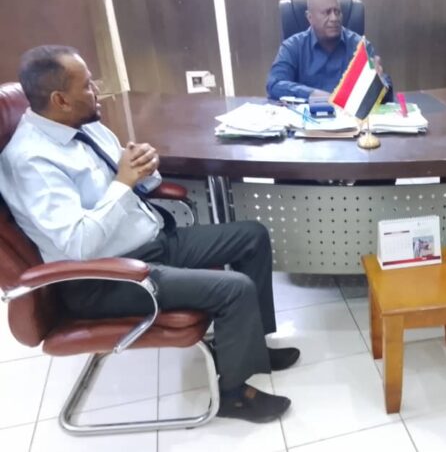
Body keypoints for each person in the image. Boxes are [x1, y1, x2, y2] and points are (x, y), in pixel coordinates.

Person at [0, 45, 300, 424]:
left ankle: (252, 345)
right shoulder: (31, 161)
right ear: (60, 99)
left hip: (149, 244)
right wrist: (123, 183)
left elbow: (133, 177)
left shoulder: (84, 125)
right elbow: (78, 243)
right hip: (104, 277)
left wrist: (145, 168)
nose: (97, 89)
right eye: (88, 84)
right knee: (234, 288)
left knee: (251, 237)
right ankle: (234, 395)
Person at [266, 0, 392, 101]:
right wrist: (312, 94)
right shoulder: (293, 46)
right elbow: (274, 84)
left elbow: (386, 92)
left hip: (349, 118)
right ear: (310, 17)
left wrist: (379, 83)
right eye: (327, 13)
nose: (334, 18)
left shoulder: (360, 46)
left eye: (337, 12)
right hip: (306, 117)